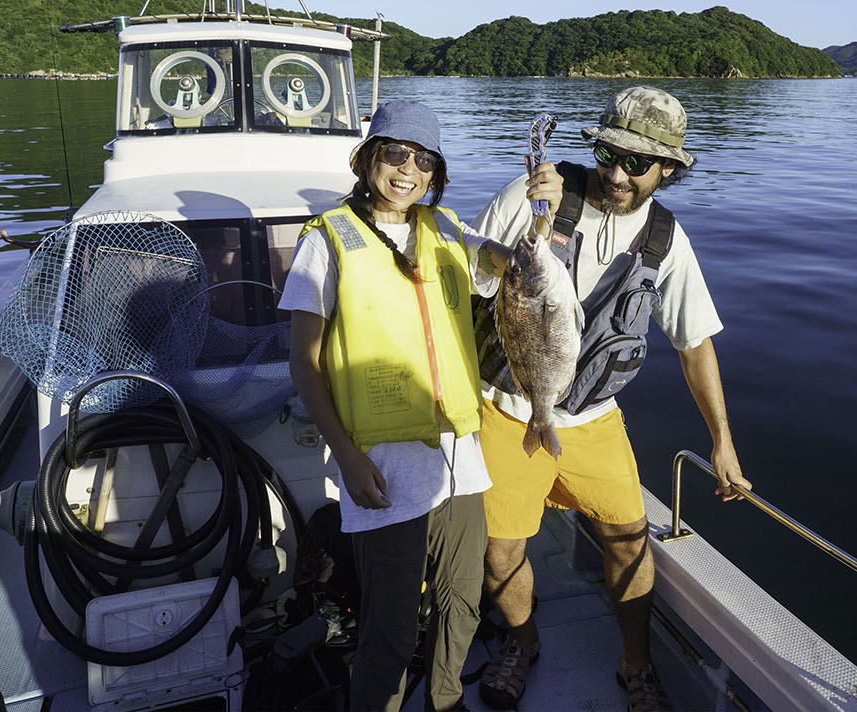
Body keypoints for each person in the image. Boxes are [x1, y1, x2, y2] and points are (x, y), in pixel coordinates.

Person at [471, 86, 751, 712]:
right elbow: (469, 269)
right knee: (500, 548)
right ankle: (522, 640)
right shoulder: (534, 192)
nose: (616, 172)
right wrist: (521, 242)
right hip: (510, 407)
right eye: (606, 152)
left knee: (628, 537)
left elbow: (695, 343)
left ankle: (636, 664)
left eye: (637, 162)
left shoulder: (665, 241)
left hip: (596, 418)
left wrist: (722, 441)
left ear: (669, 171)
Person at [282, 99, 522, 712]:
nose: (407, 170)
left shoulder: (446, 230)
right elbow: (305, 366)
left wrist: (539, 209)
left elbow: (511, 266)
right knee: (389, 628)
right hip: (384, 465)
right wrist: (347, 457)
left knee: (463, 599)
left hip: (458, 459)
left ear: (436, 175)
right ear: (366, 160)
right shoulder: (327, 239)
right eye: (394, 153)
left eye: (423, 161)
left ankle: (445, 702)